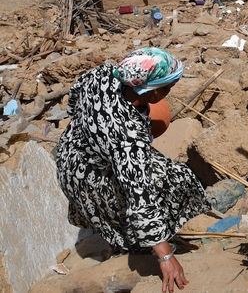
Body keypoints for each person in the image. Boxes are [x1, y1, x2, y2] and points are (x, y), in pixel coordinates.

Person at [56, 48, 210, 293]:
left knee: (146, 174)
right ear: (154, 92)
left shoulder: (103, 74)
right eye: (169, 87)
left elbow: (73, 101)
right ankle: (138, 246)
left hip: (70, 156)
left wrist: (93, 130)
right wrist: (165, 257)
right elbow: (140, 198)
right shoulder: (129, 138)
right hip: (89, 178)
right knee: (176, 180)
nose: (170, 91)